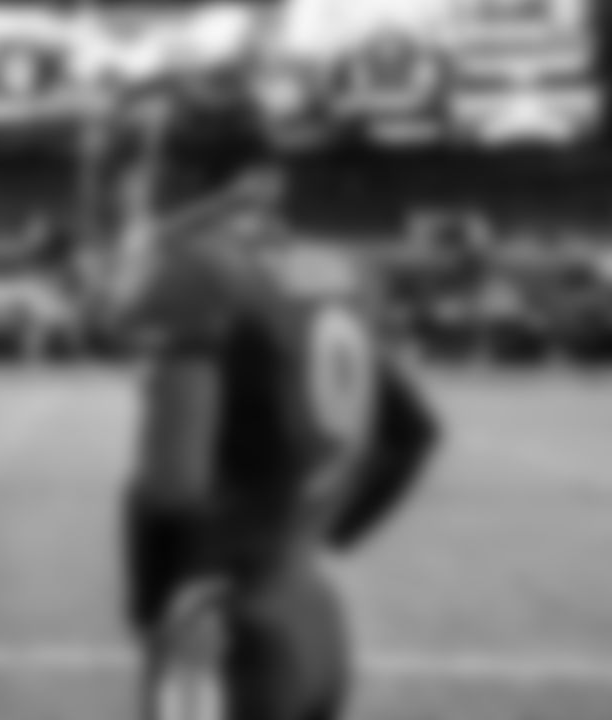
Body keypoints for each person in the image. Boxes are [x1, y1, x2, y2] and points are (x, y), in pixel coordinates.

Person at [103, 116, 441, 720]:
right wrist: (325, 535)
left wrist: (155, 605)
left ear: (182, 176)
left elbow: (174, 484)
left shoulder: (195, 270)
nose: (143, 184)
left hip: (217, 627)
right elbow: (413, 432)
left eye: (153, 168)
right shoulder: (337, 267)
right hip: (312, 614)